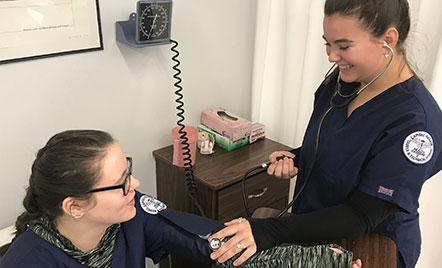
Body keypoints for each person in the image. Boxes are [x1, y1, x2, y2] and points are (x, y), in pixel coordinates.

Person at [208, 0, 442, 268]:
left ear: (388, 39)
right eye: (327, 44)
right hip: (313, 226)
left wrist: (267, 230)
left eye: (343, 46)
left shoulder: (416, 123)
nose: (331, 56)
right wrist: (297, 158)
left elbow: (361, 216)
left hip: (371, 244)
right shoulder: (343, 82)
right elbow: (339, 142)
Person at [0, 129, 361, 268]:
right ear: (74, 206)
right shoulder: (26, 262)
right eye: (121, 183)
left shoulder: (133, 214)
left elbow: (215, 243)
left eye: (129, 172)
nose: (136, 185)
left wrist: (322, 260)